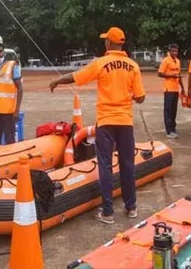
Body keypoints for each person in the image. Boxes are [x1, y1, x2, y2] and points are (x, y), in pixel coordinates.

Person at [49, 27, 145, 224]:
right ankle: (131, 207)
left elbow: (76, 76)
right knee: (127, 165)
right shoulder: (133, 66)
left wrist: (57, 80)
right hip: (125, 122)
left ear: (109, 42)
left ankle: (108, 212)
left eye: (105, 40)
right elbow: (141, 97)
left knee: (105, 166)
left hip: (106, 123)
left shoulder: (101, 63)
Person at [0, 43, 23, 146]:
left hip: (8, 112)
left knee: (9, 139)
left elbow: (20, 89)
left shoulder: (12, 66)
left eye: (0, 51)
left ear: (4, 53)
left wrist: (17, 110)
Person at [158, 44, 185, 139]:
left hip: (176, 89)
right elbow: (160, 73)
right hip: (168, 89)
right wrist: (171, 76)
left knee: (174, 110)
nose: (174, 53)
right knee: (168, 110)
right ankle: (169, 131)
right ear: (169, 51)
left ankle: (173, 128)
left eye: (176, 51)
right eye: (173, 51)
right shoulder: (166, 61)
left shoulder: (177, 61)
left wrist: (183, 88)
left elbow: (179, 74)